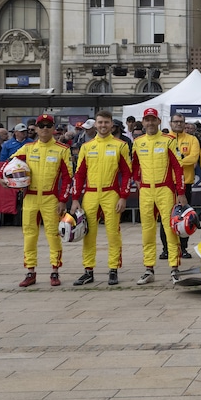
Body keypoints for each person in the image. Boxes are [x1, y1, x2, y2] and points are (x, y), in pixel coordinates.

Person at [4, 113, 74, 287]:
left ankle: (55, 271)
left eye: (48, 125)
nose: (44, 129)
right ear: (35, 128)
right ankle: (30, 271)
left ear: (53, 128)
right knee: (29, 235)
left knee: (53, 235)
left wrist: (63, 200)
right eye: (41, 126)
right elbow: (9, 163)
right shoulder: (28, 148)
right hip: (30, 197)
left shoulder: (62, 149)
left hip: (51, 198)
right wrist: (3, 178)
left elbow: (68, 178)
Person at [70, 111, 132, 286]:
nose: (103, 125)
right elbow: (79, 174)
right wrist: (75, 199)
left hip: (111, 193)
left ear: (112, 124)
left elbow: (127, 174)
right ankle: (88, 271)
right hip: (90, 194)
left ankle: (113, 269)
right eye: (100, 122)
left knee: (113, 233)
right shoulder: (86, 146)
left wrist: (123, 197)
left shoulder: (120, 145)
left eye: (106, 122)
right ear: (95, 124)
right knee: (88, 233)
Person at [131, 107, 187, 284]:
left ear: (158, 121)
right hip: (146, 191)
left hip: (165, 190)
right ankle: (149, 269)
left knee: (170, 229)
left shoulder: (168, 140)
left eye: (153, 119)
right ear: (143, 122)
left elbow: (178, 167)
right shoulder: (138, 142)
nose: (150, 123)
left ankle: (174, 268)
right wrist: (137, 180)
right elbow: (134, 165)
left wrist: (181, 192)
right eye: (147, 119)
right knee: (147, 231)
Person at [163, 114, 200, 260]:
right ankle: (167, 249)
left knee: (185, 218)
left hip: (186, 183)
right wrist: (182, 159)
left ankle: (183, 248)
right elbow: (162, 160)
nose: (178, 124)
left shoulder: (192, 139)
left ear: (185, 124)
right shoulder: (164, 139)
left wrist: (175, 161)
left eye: (181, 122)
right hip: (167, 184)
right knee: (167, 217)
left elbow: (193, 158)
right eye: (176, 121)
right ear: (170, 123)